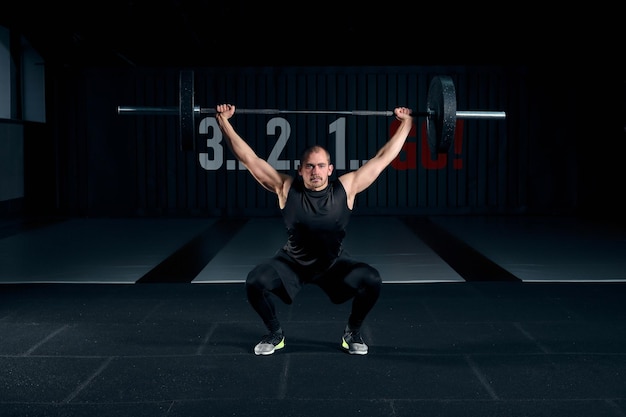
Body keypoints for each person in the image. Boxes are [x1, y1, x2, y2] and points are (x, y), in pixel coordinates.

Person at [215, 103, 414, 356]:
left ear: (330, 169)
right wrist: (224, 122)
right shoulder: (285, 187)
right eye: (309, 166)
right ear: (300, 170)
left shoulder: (347, 187)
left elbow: (383, 158)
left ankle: (352, 332)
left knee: (372, 280)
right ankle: (275, 332)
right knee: (255, 281)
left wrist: (406, 124)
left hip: (334, 264)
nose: (315, 171)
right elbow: (249, 159)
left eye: (321, 166)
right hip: (292, 263)